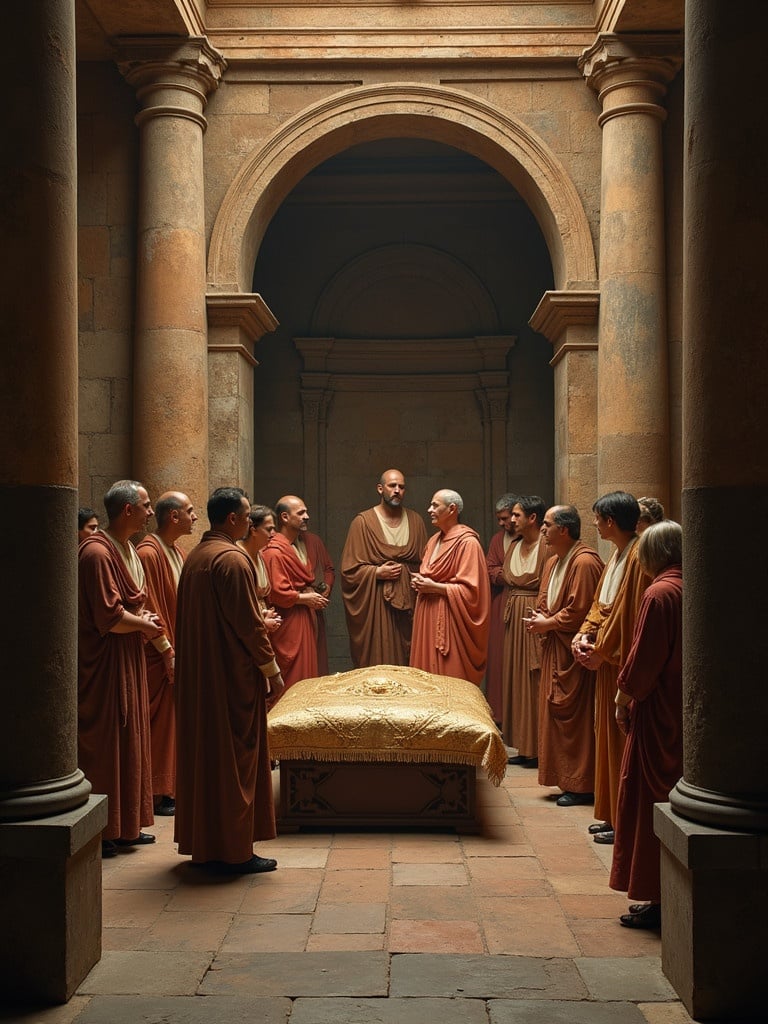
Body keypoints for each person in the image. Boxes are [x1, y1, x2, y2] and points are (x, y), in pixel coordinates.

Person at [174, 487, 284, 874]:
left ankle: (208, 844)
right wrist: (271, 670)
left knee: (208, 760)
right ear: (235, 519)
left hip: (201, 678)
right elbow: (249, 626)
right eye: (245, 514)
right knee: (237, 761)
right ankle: (236, 851)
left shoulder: (196, 558)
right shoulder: (233, 560)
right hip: (230, 680)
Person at [78, 480, 163, 858]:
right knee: (109, 739)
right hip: (105, 662)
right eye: (146, 505)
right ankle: (106, 828)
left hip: (127, 655)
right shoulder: (97, 553)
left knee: (131, 734)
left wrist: (141, 621)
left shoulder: (126, 547)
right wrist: (144, 624)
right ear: (128, 510)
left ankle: (126, 824)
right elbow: (109, 617)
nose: (150, 512)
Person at [610, 520, 683, 930]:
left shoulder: (658, 593)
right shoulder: (691, 584)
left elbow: (643, 660)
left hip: (656, 713)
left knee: (646, 797)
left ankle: (657, 895)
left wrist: (623, 699)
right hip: (680, 707)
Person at [572, 492, 649, 844]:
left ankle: (625, 821)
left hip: (618, 663)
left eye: (598, 519)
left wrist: (602, 651)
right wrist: (583, 633)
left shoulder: (636, 557)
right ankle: (612, 814)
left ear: (611, 522)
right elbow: (600, 605)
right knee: (605, 737)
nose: (595, 524)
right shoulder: (616, 553)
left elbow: (627, 615)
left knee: (620, 743)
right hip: (604, 660)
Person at [525, 505, 603, 805]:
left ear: (564, 530)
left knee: (576, 719)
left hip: (574, 653)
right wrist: (541, 618)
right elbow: (547, 599)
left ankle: (582, 783)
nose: (542, 529)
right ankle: (564, 778)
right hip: (554, 649)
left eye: (547, 524)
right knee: (554, 714)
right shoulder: (554, 560)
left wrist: (548, 623)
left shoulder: (583, 562)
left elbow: (580, 609)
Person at [136, 491, 197, 817]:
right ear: (174, 517)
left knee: (172, 723)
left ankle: (169, 786)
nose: (194, 517)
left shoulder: (177, 551)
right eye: (189, 511)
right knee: (159, 723)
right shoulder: (149, 553)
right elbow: (151, 606)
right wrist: (167, 651)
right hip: (159, 655)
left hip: (176, 648)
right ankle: (158, 790)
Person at [340, 469, 428, 668]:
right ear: (380, 489)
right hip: (376, 604)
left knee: (410, 661)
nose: (397, 490)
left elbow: (426, 564)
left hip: (409, 604)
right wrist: (376, 573)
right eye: (392, 486)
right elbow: (348, 572)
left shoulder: (416, 521)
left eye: (402, 487)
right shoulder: (362, 523)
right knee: (379, 657)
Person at [409, 489, 490, 685]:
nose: (429, 509)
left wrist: (434, 587)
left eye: (435, 505)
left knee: (449, 675)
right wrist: (421, 582)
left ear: (452, 509)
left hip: (450, 618)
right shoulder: (433, 540)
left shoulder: (468, 543)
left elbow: (472, 592)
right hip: (426, 614)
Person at [262, 495, 329, 687]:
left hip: (302, 618)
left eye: (306, 512)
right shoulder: (274, 550)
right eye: (301, 513)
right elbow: (277, 591)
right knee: (293, 673)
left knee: (306, 670)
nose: (307, 516)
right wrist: (304, 598)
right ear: (284, 517)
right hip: (288, 620)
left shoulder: (295, 545)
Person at [502, 496, 549, 765]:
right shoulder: (514, 546)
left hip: (535, 614)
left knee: (535, 679)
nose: (512, 520)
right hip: (514, 615)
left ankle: (539, 747)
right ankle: (523, 745)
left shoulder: (546, 547)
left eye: (517, 515)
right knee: (516, 678)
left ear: (533, 518)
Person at [484, 493, 518, 724]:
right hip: (500, 602)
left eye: (505, 518)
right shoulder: (498, 539)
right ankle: (498, 713)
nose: (502, 523)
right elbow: (489, 568)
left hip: (520, 602)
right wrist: (506, 575)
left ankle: (518, 716)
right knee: (497, 660)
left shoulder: (530, 539)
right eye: (499, 519)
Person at [237, 504, 282, 633]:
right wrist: (261, 620)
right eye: (269, 529)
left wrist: (265, 614)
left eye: (274, 529)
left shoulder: (260, 554)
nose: (273, 534)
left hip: (260, 623)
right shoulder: (237, 556)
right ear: (253, 530)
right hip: (246, 626)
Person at [303, 529, 335, 674]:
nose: (306, 517)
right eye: (300, 513)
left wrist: (327, 584)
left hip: (316, 606)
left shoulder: (313, 540)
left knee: (317, 656)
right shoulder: (277, 547)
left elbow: (329, 568)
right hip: (295, 609)